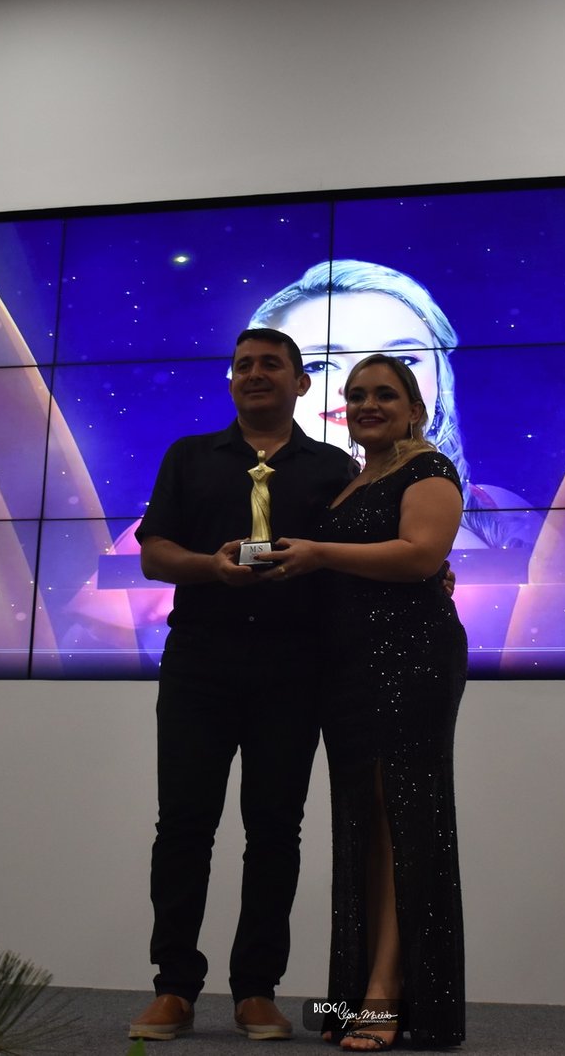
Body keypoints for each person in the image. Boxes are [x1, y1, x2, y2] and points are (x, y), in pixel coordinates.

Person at [128, 327, 358, 1042]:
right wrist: (211, 567)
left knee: (275, 829)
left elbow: (353, 557)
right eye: (243, 365)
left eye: (271, 364)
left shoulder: (334, 467)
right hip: (201, 661)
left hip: (294, 667)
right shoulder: (189, 456)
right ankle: (174, 987)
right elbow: (154, 555)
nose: (254, 374)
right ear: (231, 380)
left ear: (301, 383)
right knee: (184, 825)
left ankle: (256, 989)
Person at [259, 353, 468, 1050]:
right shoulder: (351, 482)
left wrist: (321, 554)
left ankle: (385, 994)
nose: (368, 404)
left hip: (409, 660)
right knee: (368, 828)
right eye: (356, 395)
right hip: (347, 669)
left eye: (385, 394)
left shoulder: (428, 469)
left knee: (402, 824)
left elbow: (420, 555)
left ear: (415, 410)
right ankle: (361, 994)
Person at [249, 259, 535, 550]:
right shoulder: (262, 491)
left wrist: (319, 555)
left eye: (403, 360)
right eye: (321, 364)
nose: (357, 384)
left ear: (438, 377)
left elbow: (417, 558)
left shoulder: (500, 511)